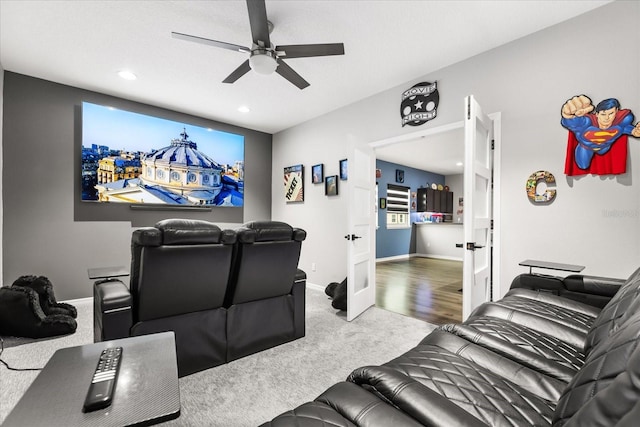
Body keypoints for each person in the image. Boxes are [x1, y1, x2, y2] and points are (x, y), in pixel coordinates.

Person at [561, 95, 640, 175]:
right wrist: (568, 115)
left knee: (602, 151)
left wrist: (634, 131)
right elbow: (572, 122)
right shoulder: (587, 123)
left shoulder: (620, 123)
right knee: (583, 166)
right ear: (597, 114)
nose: (607, 118)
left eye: (611, 113)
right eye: (603, 114)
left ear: (616, 111)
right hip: (586, 147)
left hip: (605, 147)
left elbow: (625, 128)